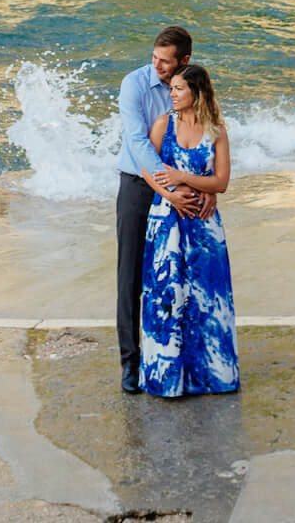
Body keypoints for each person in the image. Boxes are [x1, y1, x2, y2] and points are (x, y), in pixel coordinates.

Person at [116, 26, 208, 393]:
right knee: (130, 276)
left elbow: (204, 131)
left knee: (179, 274)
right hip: (139, 187)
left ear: (183, 60)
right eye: (154, 57)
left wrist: (203, 186)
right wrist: (171, 186)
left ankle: (179, 357)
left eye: (165, 61)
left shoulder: (192, 85)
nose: (156, 65)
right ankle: (130, 361)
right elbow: (137, 142)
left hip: (183, 188)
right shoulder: (134, 84)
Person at [139, 63, 239, 398]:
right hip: (166, 221)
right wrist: (170, 194)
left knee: (207, 298)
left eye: (179, 89)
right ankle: (167, 380)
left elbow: (221, 182)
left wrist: (184, 179)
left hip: (204, 226)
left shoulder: (217, 131)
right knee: (167, 297)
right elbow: (147, 169)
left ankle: (213, 377)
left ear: (197, 92)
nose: (172, 94)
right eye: (171, 89)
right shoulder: (163, 124)